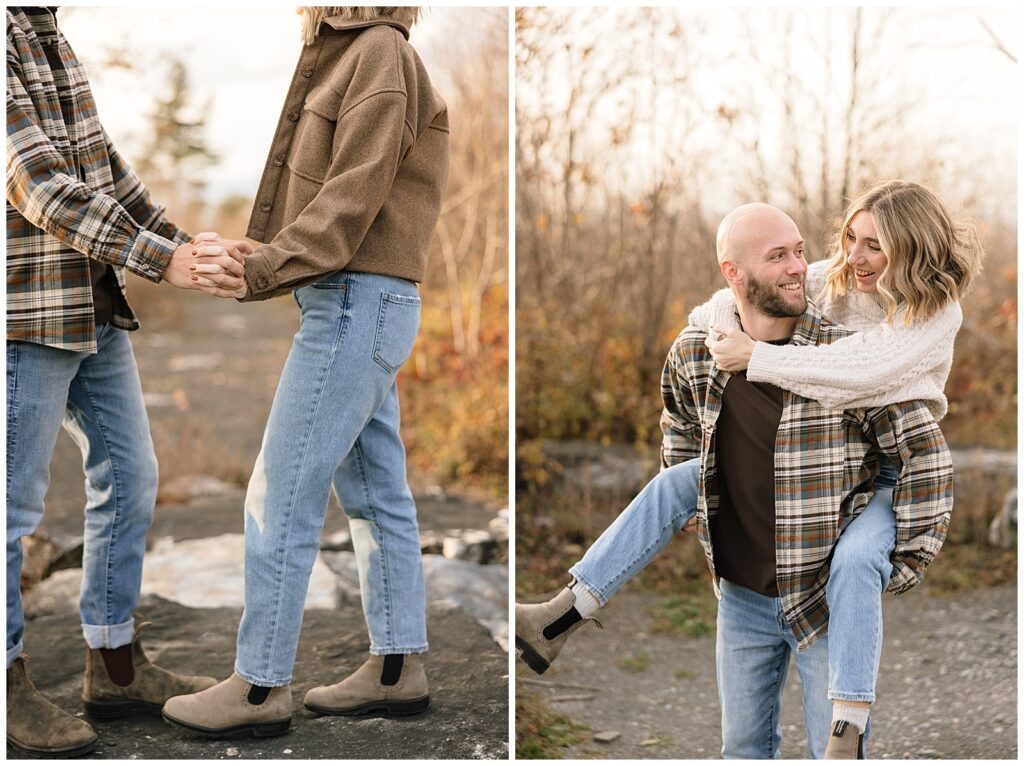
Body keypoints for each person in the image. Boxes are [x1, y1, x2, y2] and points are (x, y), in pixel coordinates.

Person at [516, 203, 955, 759]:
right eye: (778, 256)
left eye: (799, 252)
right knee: (742, 750)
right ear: (734, 273)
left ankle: (847, 724)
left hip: (820, 596)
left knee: (833, 754)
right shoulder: (700, 350)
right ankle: (563, 613)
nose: (799, 267)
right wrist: (693, 492)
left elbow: (923, 454)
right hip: (743, 599)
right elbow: (679, 417)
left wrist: (903, 559)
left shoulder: (844, 359)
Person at [161, 6, 449, 738]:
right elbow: (331, 198)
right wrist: (258, 252)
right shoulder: (354, 50)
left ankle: (259, 689)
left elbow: (351, 196)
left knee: (280, 493)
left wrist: (262, 267)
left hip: (355, 303)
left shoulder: (378, 50)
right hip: (361, 300)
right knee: (375, 493)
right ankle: (397, 670)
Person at [6, 7, 248, 758]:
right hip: (26, 311)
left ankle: (114, 668)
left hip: (94, 304)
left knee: (132, 477)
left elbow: (103, 169)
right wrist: (158, 259)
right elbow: (35, 183)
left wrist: (187, 248)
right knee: (11, 510)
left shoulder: (46, 29)